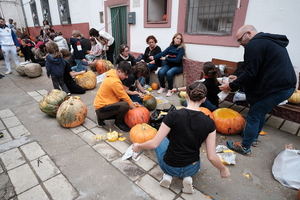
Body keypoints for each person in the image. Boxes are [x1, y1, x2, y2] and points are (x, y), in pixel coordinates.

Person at [132, 81, 230, 193]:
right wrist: (223, 169)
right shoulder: (210, 123)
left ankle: (168, 176)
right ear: (204, 99)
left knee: (160, 139)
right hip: (192, 168)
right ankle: (187, 178)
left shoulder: (173, 115)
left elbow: (154, 144)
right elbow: (212, 156)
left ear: (187, 95)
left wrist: (138, 146)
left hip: (169, 165)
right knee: (191, 158)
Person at [219, 25, 297, 155]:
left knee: (254, 113)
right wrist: (239, 77)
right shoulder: (267, 42)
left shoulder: (254, 44)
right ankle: (253, 138)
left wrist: (231, 86)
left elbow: (251, 73)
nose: (239, 44)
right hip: (283, 87)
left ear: (248, 34)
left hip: (277, 89)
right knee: (259, 111)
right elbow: (257, 68)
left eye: (239, 40)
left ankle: (245, 147)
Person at [94, 61, 137, 132]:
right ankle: (118, 123)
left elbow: (121, 93)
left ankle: (101, 117)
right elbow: (124, 97)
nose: (126, 77)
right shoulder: (114, 82)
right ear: (119, 71)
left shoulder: (113, 73)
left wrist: (132, 103)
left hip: (103, 106)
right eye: (125, 75)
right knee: (125, 105)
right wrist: (134, 108)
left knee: (125, 106)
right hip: (101, 109)